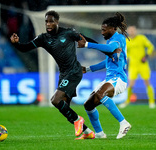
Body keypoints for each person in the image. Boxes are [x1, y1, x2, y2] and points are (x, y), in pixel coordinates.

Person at [10, 10, 96, 139]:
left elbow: (87, 40)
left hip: (74, 71)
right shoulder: (43, 38)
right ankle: (87, 132)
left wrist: (105, 50)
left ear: (57, 22)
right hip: (64, 73)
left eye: (51, 21)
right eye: (46, 21)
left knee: (56, 100)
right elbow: (25, 48)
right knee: (65, 108)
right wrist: (17, 44)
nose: (48, 24)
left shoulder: (68, 33)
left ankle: (79, 120)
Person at [77, 12, 131, 139]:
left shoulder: (118, 39)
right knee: (88, 104)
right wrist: (88, 69)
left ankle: (124, 123)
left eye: (104, 30)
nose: (102, 33)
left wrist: (87, 44)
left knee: (101, 94)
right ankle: (100, 134)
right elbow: (107, 62)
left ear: (113, 29)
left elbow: (110, 48)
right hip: (109, 79)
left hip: (119, 78)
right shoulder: (111, 40)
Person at [119, 26, 156, 109]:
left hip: (143, 64)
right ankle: (127, 101)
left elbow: (150, 46)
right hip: (133, 65)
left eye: (133, 30)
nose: (131, 32)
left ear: (135, 31)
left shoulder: (141, 38)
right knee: (131, 84)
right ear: (128, 32)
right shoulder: (126, 41)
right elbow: (125, 53)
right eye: (130, 31)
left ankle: (151, 102)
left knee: (147, 82)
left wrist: (146, 55)